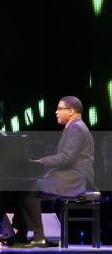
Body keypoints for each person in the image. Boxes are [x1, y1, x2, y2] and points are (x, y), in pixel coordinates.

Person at [6, 96, 94, 248]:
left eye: (60, 109)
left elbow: (67, 158)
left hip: (76, 177)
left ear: (71, 111)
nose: (56, 112)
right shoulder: (73, 127)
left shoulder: (76, 127)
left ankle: (39, 236)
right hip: (69, 175)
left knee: (31, 188)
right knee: (25, 188)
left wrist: (41, 162)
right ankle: (21, 234)